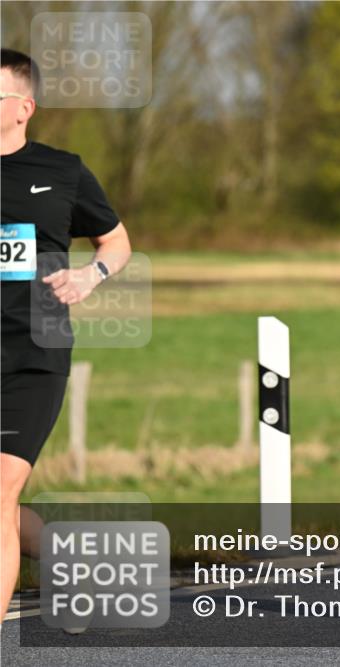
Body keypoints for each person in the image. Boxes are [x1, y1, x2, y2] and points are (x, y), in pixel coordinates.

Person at [1, 48, 133, 619]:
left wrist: (91, 275)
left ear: (24, 106)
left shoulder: (63, 171)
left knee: (0, 490)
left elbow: (117, 241)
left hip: (34, 350)